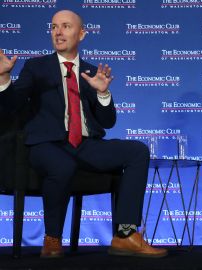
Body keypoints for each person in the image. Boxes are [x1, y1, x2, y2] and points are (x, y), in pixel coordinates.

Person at [0, 10, 167, 258]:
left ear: (82, 34)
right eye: (54, 26)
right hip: (46, 145)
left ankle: (125, 235)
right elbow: (11, 105)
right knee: (63, 165)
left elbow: (107, 122)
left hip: (85, 144)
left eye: (66, 26)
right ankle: (52, 238)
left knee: (137, 151)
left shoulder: (90, 71)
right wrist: (3, 78)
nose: (58, 32)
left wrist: (102, 94)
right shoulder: (36, 67)